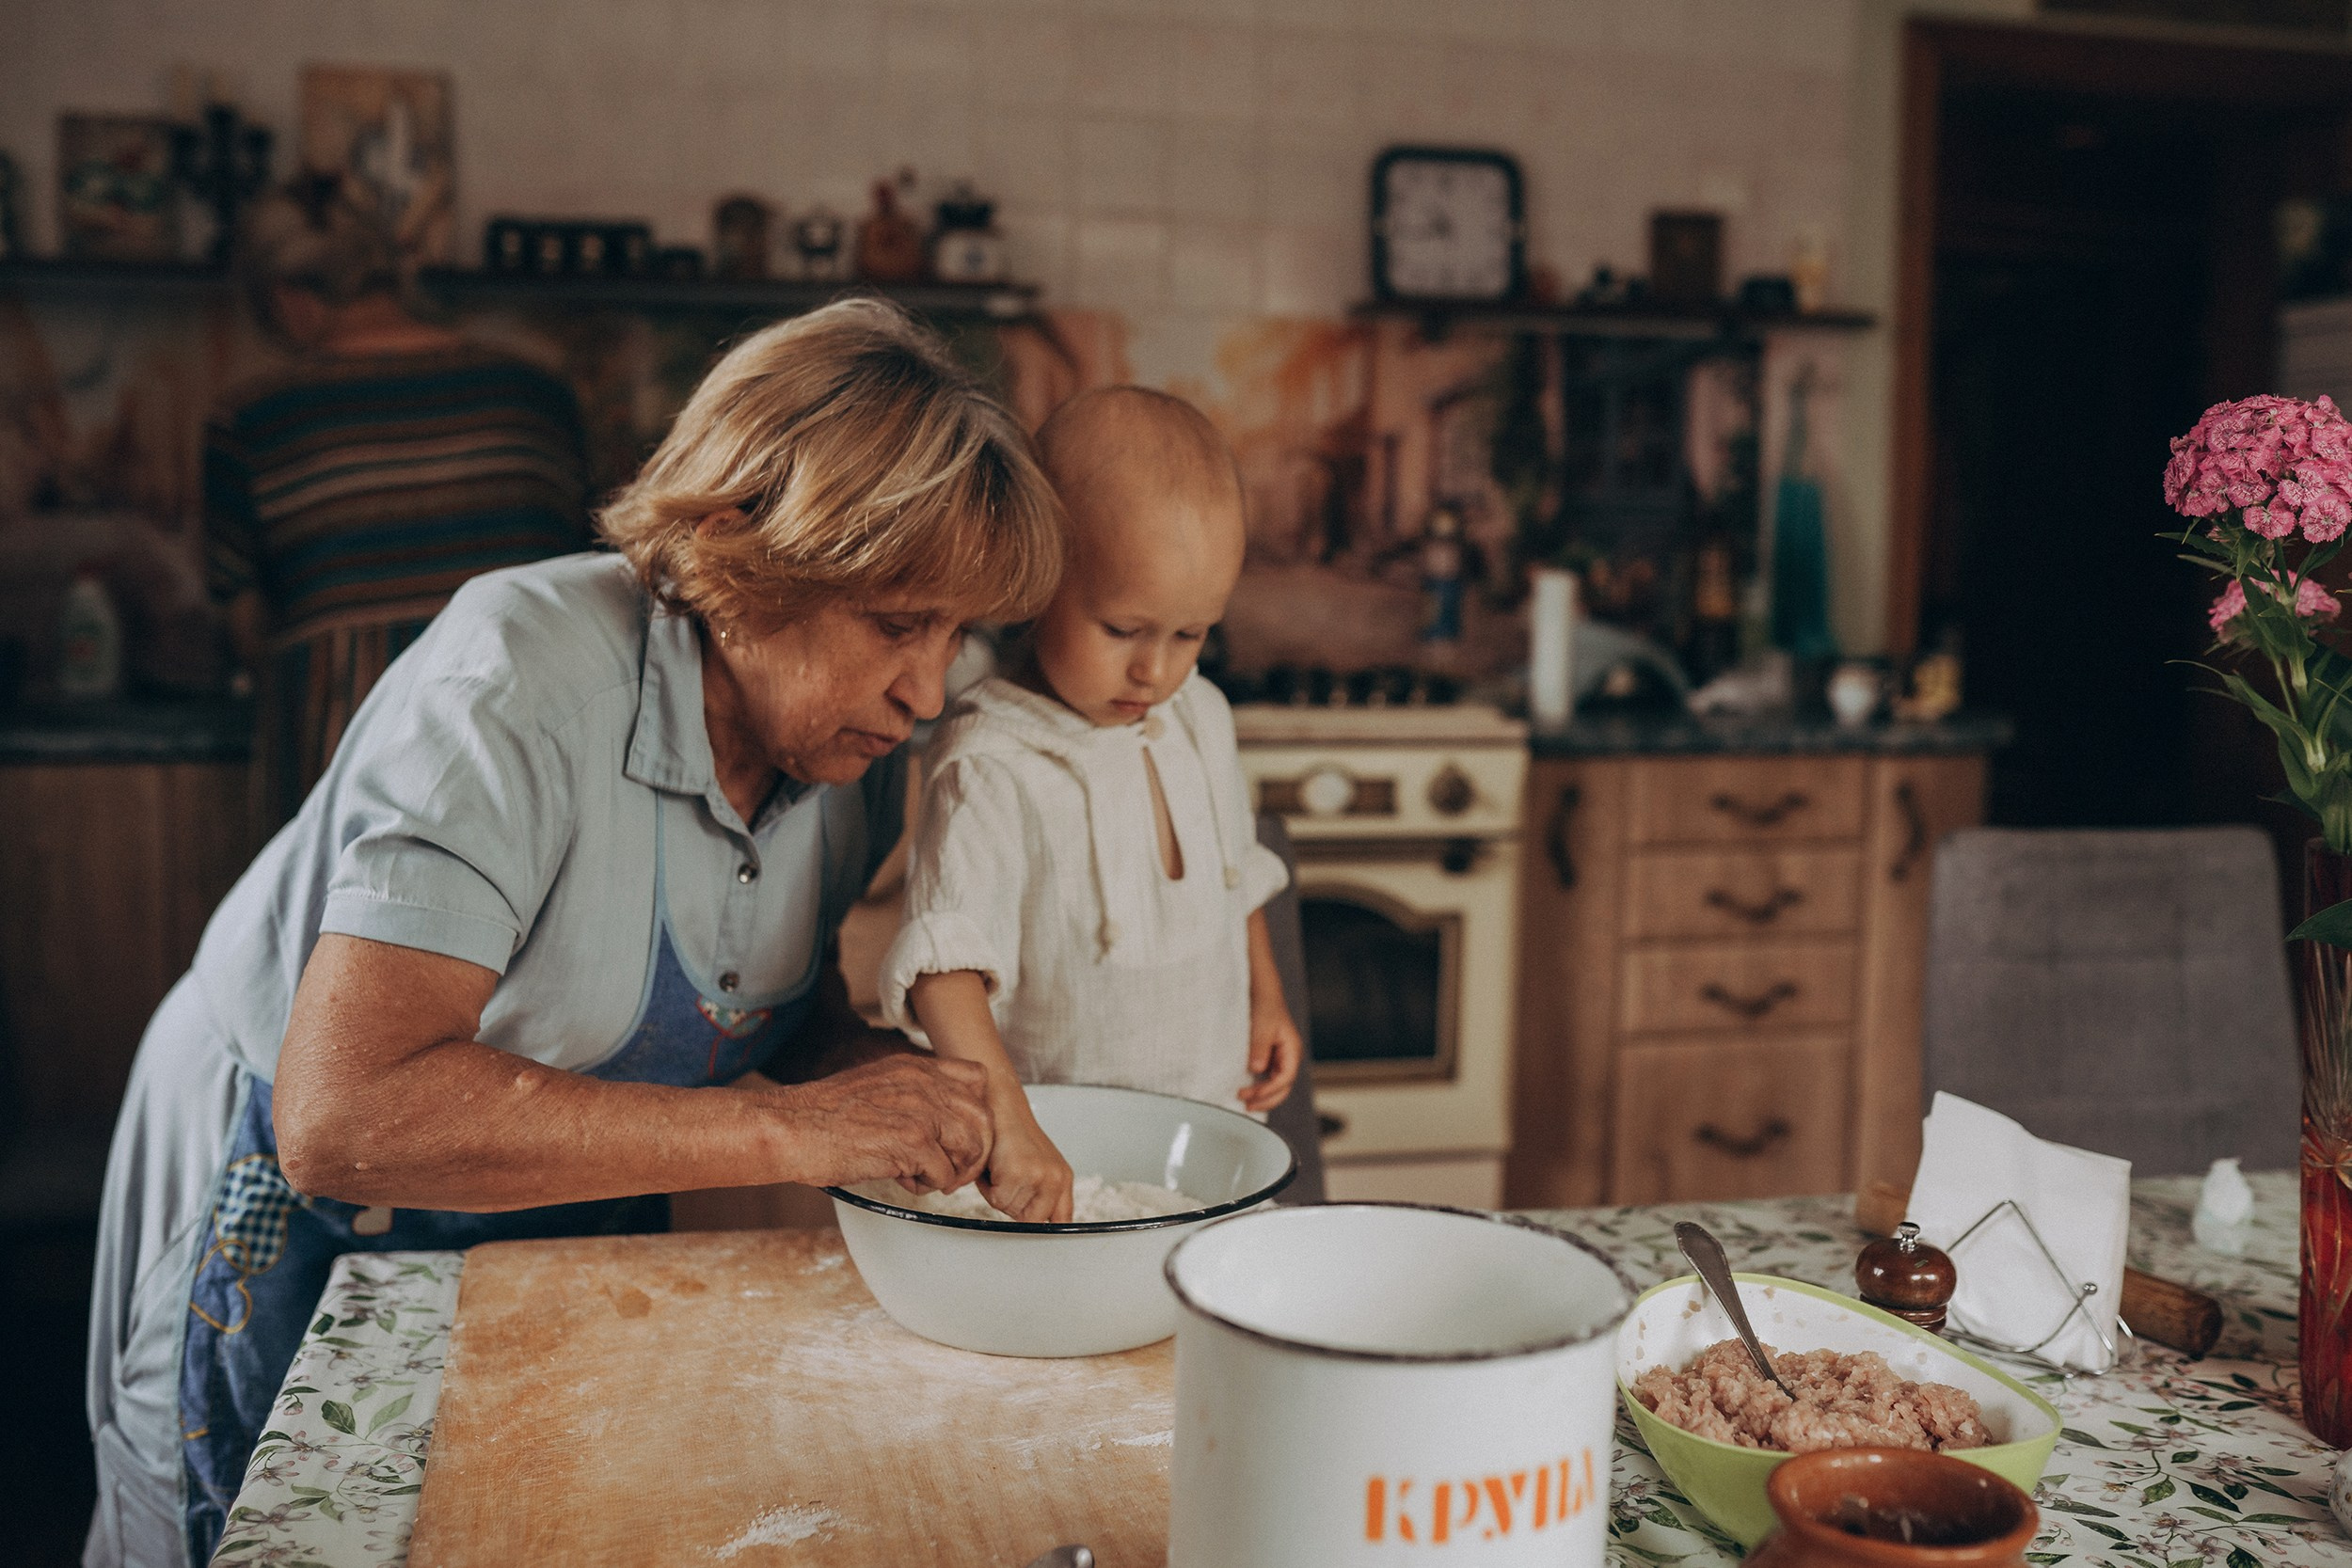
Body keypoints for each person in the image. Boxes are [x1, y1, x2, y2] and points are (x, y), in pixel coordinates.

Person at [85, 299, 1062, 1568]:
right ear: (735, 548)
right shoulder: (516, 682)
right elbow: (341, 1114)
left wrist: (878, 1078)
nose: (927, 690)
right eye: (894, 622)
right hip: (284, 1196)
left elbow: (767, 990)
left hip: (539, 1194)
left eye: (956, 634)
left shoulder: (847, 746)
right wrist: (790, 1127)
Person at [879, 387, 1304, 1225]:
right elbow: (942, 967)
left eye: (1190, 635)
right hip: (1062, 1173)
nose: (1157, 671)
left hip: (1210, 1142)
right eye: (1122, 629)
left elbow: (1234, 873)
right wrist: (1011, 1125)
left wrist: (1267, 995)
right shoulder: (990, 761)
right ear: (1036, 581)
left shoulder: (1202, 716)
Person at [205, 185, 594, 825]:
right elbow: (588, 573)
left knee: (340, 893)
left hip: (346, 765)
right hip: (533, 749)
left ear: (285, 299)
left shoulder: (253, 419)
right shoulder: (535, 391)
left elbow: (244, 623)